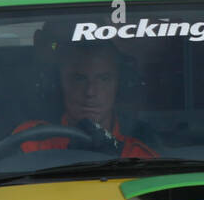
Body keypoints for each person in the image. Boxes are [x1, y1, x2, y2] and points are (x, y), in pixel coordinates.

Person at [12, 39, 157, 157]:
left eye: (103, 79)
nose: (90, 92)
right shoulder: (32, 141)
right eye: (79, 79)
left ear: (119, 85)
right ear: (58, 84)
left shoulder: (139, 154)